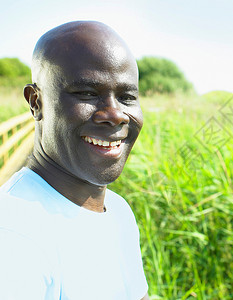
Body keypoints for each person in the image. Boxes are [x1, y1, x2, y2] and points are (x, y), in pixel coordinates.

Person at [0, 21, 149, 300]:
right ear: (36, 102)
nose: (115, 114)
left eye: (127, 97)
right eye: (87, 94)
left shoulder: (118, 212)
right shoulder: (12, 235)